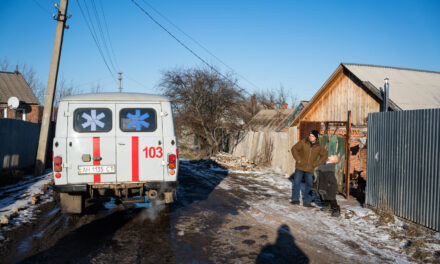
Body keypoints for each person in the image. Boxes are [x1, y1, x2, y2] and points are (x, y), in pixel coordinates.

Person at [290, 130, 328, 207]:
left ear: (316, 138)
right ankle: (295, 200)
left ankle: (307, 202)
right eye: (310, 135)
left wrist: (316, 163)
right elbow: (294, 149)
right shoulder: (303, 142)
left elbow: (324, 155)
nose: (310, 137)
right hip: (300, 167)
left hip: (310, 169)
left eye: (312, 136)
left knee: (309, 185)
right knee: (296, 183)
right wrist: (298, 159)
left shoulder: (319, 147)